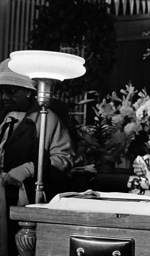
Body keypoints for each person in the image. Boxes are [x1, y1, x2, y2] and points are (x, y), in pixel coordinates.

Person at [0, 58, 75, 256]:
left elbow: (64, 158)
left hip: (27, 197)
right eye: (3, 91)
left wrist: (29, 168)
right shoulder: (5, 117)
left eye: (12, 91)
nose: (5, 96)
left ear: (28, 91)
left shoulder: (46, 117)